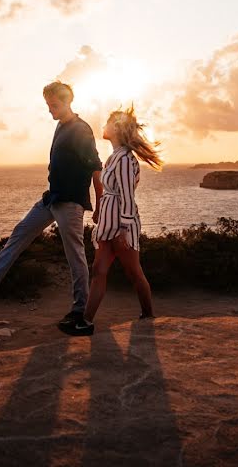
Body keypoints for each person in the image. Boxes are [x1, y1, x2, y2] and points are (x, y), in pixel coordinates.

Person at [0, 81, 103, 332]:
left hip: (70, 202)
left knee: (75, 258)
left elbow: (95, 167)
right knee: (21, 231)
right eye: (48, 105)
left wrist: (100, 204)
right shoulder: (61, 126)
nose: (50, 110)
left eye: (54, 105)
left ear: (68, 101)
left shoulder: (81, 129)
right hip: (52, 198)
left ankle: (80, 310)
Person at [58, 106, 163, 336]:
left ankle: (148, 315)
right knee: (98, 270)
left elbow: (127, 195)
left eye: (108, 122)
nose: (103, 125)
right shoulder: (114, 156)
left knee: (134, 272)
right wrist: (100, 211)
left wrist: (123, 229)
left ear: (116, 128)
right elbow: (112, 191)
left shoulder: (125, 159)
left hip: (121, 225)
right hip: (107, 223)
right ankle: (85, 321)